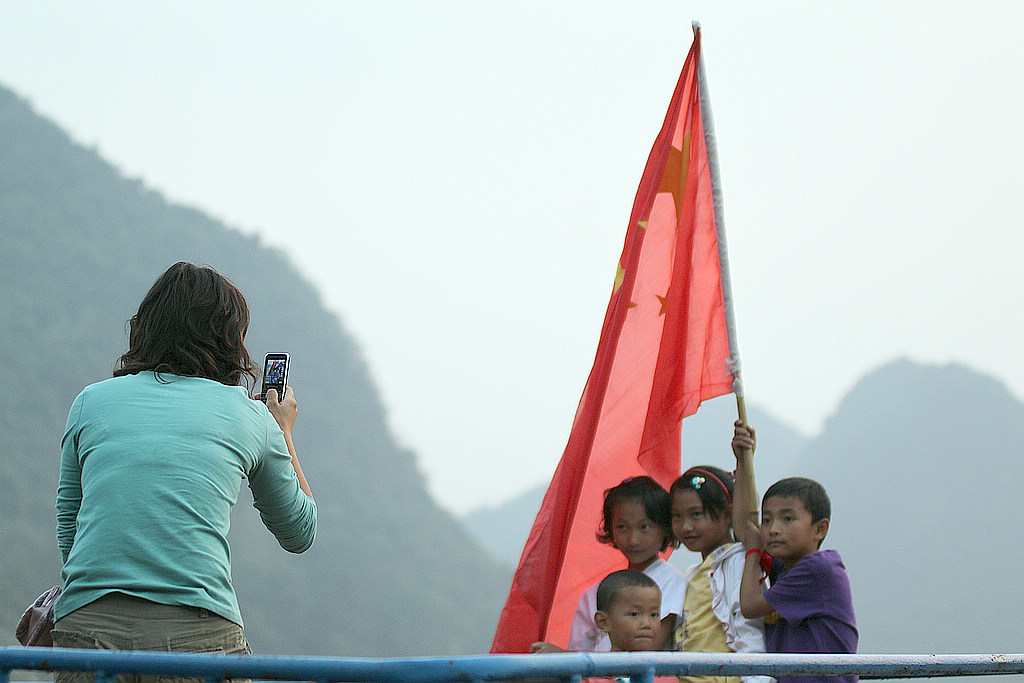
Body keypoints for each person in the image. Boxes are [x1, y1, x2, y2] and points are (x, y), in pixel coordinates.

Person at [52, 262, 317, 678]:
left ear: (146, 326)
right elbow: (300, 531)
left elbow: (70, 528)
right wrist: (282, 430)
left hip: (87, 633)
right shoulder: (250, 417)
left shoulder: (91, 402)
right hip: (199, 639)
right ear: (230, 339)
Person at [532, 476, 685, 653]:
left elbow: (647, 652)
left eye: (644, 527)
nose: (633, 539)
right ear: (610, 529)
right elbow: (579, 658)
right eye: (622, 527)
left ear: (666, 529)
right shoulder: (595, 594)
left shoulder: (673, 583)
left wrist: (563, 656)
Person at [670, 422, 770, 683]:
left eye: (696, 515)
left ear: (727, 513)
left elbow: (748, 630)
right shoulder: (692, 574)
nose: (685, 526)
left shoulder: (738, 560)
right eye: (677, 516)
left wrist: (744, 461)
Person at [738, 477, 857, 683]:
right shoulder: (785, 568)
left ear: (820, 529)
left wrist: (753, 552)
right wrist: (742, 459)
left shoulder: (817, 569)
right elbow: (744, 530)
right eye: (767, 520)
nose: (773, 529)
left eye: (788, 519)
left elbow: (749, 607)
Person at [593, 569, 663, 652]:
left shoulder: (667, 663)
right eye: (634, 614)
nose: (647, 624)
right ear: (604, 622)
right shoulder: (599, 664)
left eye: (654, 615)